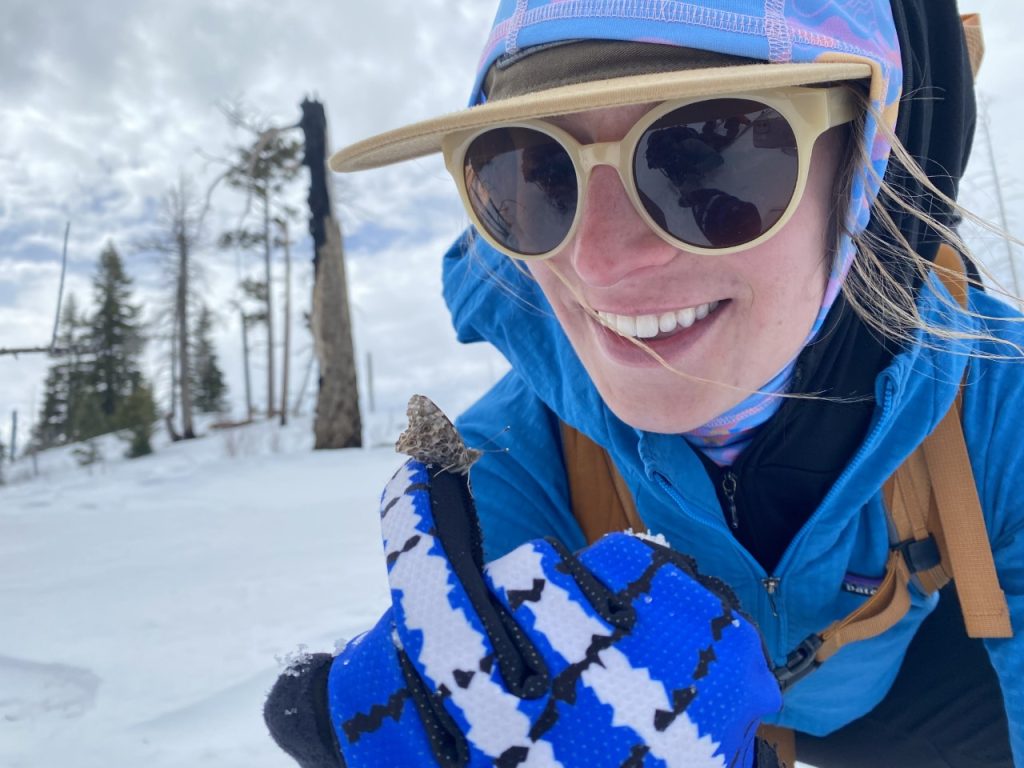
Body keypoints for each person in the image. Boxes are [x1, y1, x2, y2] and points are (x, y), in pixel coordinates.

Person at [266, 1, 1023, 766]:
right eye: (535, 173)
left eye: (703, 156)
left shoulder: (998, 398)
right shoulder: (501, 471)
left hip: (917, 698)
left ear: (870, 162)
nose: (598, 261)